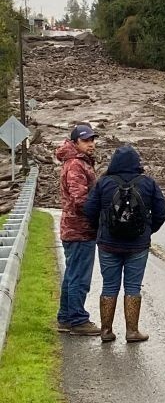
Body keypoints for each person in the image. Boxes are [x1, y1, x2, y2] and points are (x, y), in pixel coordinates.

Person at [84, 145, 165, 343]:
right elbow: (162, 211)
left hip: (108, 244)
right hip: (138, 245)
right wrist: (148, 230)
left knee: (109, 286)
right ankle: (132, 331)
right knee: (133, 286)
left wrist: (102, 227)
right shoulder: (148, 183)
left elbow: (89, 209)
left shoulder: (103, 183)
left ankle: (106, 331)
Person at [56, 124, 101, 335]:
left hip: (75, 228)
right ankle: (77, 319)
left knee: (72, 274)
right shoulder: (76, 165)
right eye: (86, 140)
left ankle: (65, 317)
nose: (91, 144)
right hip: (79, 229)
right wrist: (99, 213)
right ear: (75, 143)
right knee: (79, 277)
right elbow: (80, 200)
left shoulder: (79, 162)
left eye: (92, 140)